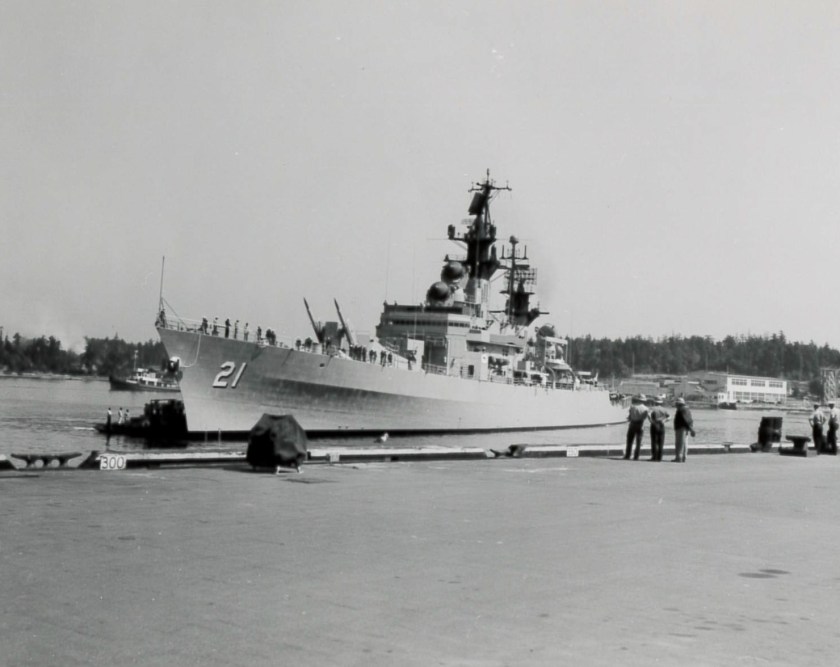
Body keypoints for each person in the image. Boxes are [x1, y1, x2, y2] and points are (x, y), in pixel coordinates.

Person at [624, 395, 649, 460]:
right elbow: (645, 417)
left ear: (638, 400)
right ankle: (636, 456)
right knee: (638, 442)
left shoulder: (632, 407)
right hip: (640, 424)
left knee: (629, 441)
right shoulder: (646, 408)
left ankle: (627, 455)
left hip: (632, 424)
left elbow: (629, 417)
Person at [673, 397, 695, 463]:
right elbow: (689, 420)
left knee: (679, 443)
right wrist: (691, 428)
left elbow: (686, 420)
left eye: (676, 404)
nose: (676, 405)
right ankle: (684, 457)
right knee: (685, 443)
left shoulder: (681, 410)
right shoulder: (687, 409)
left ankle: (678, 458)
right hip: (685, 428)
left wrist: (691, 429)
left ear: (679, 404)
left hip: (681, 428)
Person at [648, 397, 670, 461]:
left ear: (655, 402)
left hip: (654, 424)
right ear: (661, 402)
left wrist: (651, 421)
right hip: (661, 425)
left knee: (654, 441)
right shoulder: (664, 409)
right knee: (661, 442)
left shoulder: (652, 408)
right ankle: (660, 457)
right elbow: (669, 417)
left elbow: (648, 414)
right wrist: (665, 420)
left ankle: (654, 457)